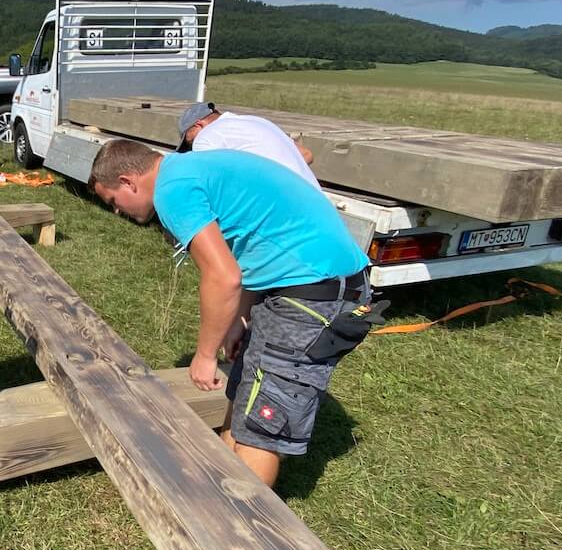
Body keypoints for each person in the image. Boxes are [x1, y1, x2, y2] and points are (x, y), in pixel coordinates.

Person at [89, 139, 379, 489]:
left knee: (261, 425)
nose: (117, 211)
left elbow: (223, 277)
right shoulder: (188, 170)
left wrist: (205, 355)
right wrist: (238, 322)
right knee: (245, 391)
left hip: (315, 292)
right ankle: (220, 491)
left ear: (128, 181)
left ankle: (246, 519)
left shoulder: (171, 191)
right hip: (303, 283)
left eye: (113, 201)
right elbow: (253, 249)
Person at [177, 102, 319, 187]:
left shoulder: (206, 136)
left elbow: (207, 181)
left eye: (190, 142)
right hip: (317, 203)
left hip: (283, 209)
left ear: (198, 125)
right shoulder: (257, 122)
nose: (192, 148)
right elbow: (306, 154)